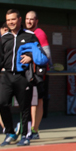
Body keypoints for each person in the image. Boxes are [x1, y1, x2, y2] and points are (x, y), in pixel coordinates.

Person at [0, 9, 47, 147]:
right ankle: (10, 132)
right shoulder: (4, 38)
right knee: (2, 103)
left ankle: (25, 135)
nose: (11, 22)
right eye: (8, 20)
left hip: (23, 77)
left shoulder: (30, 36)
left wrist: (31, 57)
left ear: (19, 20)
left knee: (25, 107)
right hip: (7, 76)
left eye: (13, 19)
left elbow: (40, 54)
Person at [25, 11, 52, 139]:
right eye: (27, 19)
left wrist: (32, 58)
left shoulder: (40, 34)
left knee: (37, 101)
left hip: (38, 74)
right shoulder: (24, 34)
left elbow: (47, 55)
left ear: (37, 21)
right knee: (28, 101)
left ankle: (34, 129)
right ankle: (27, 128)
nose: (29, 21)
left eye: (32, 19)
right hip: (25, 73)